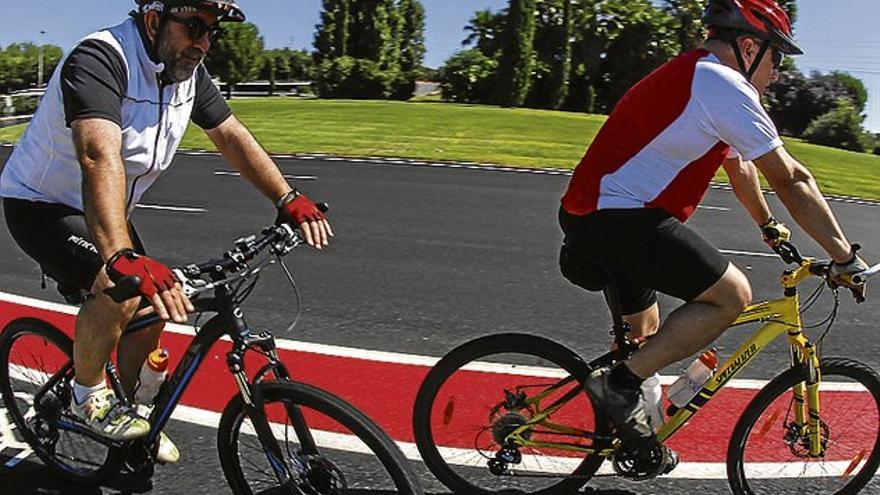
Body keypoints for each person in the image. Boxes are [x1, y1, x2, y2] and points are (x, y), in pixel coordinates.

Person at [0, 0, 332, 463]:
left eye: (212, 31)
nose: (203, 42)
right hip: (42, 205)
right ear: (155, 20)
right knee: (125, 286)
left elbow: (232, 135)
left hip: (105, 207)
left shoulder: (187, 72)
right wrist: (119, 256)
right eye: (194, 26)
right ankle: (87, 394)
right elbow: (99, 155)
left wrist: (286, 197)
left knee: (153, 310)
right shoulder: (100, 59)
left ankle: (134, 418)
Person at [558, 0, 869, 465]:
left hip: (598, 214)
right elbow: (792, 179)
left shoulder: (698, 76)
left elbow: (738, 164)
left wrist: (769, 226)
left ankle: (628, 435)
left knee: (646, 339)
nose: (778, 73)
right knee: (731, 296)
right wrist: (844, 256)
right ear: (747, 46)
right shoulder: (721, 83)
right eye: (776, 58)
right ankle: (616, 388)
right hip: (616, 216)